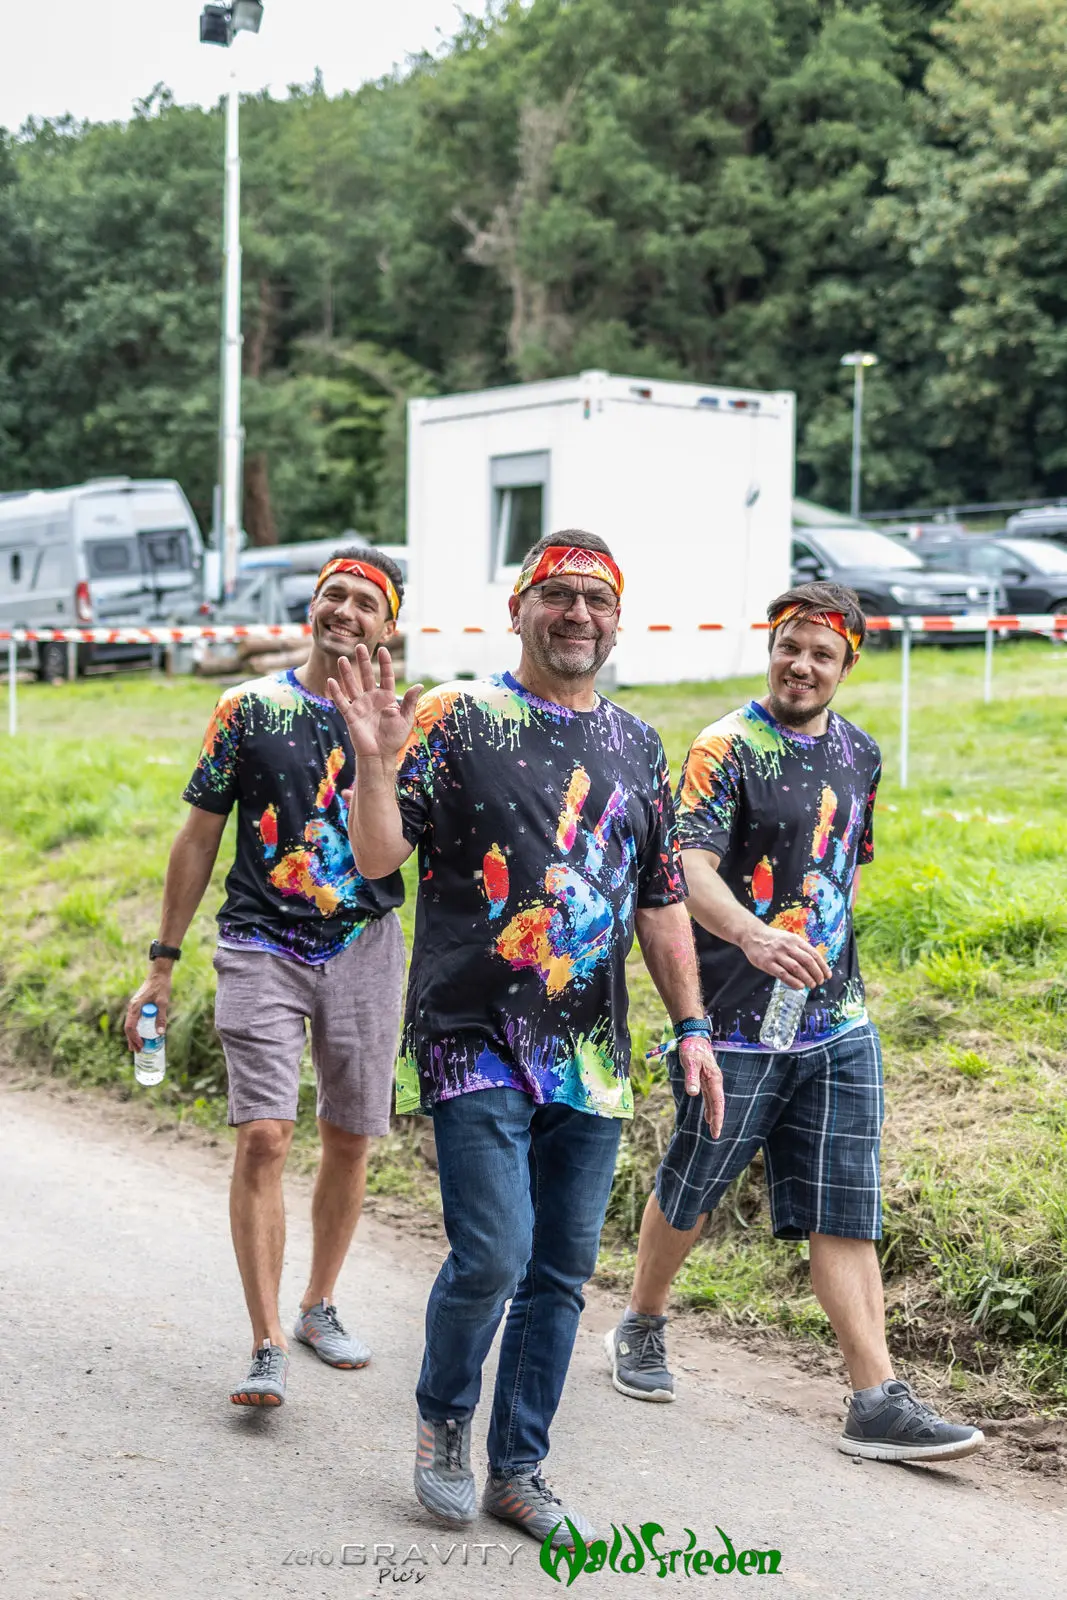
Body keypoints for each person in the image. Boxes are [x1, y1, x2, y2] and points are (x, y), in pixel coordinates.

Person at [328, 531, 725, 1545]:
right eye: (557, 595)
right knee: (494, 1254)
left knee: (559, 1271)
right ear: (518, 610)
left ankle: (518, 1469)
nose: (576, 613)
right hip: (471, 1036)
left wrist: (690, 1025)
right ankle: (443, 1421)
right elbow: (376, 858)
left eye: (596, 597)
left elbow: (659, 898)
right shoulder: (454, 718)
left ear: (617, 619)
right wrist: (373, 764)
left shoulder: (638, 745)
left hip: (588, 1054)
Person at [605, 581, 984, 1465]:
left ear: (847, 665)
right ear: (770, 649)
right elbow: (686, 870)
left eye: (821, 654)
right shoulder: (724, 747)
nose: (801, 666)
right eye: (789, 648)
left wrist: (824, 957)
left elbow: (843, 869)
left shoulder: (860, 753)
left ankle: (874, 1399)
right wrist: (752, 934)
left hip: (837, 1022)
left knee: (844, 1208)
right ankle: (641, 1322)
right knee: (694, 1183)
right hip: (734, 1021)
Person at [124, 547, 408, 1409]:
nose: (345, 611)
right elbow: (198, 835)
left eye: (364, 602)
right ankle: (265, 1341)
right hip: (260, 943)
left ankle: (319, 1304)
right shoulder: (248, 708)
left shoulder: (409, 719)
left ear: (387, 626)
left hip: (363, 942)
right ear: (311, 606)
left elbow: (415, 848)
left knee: (350, 1136)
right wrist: (161, 963)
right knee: (264, 1138)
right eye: (333, 595)